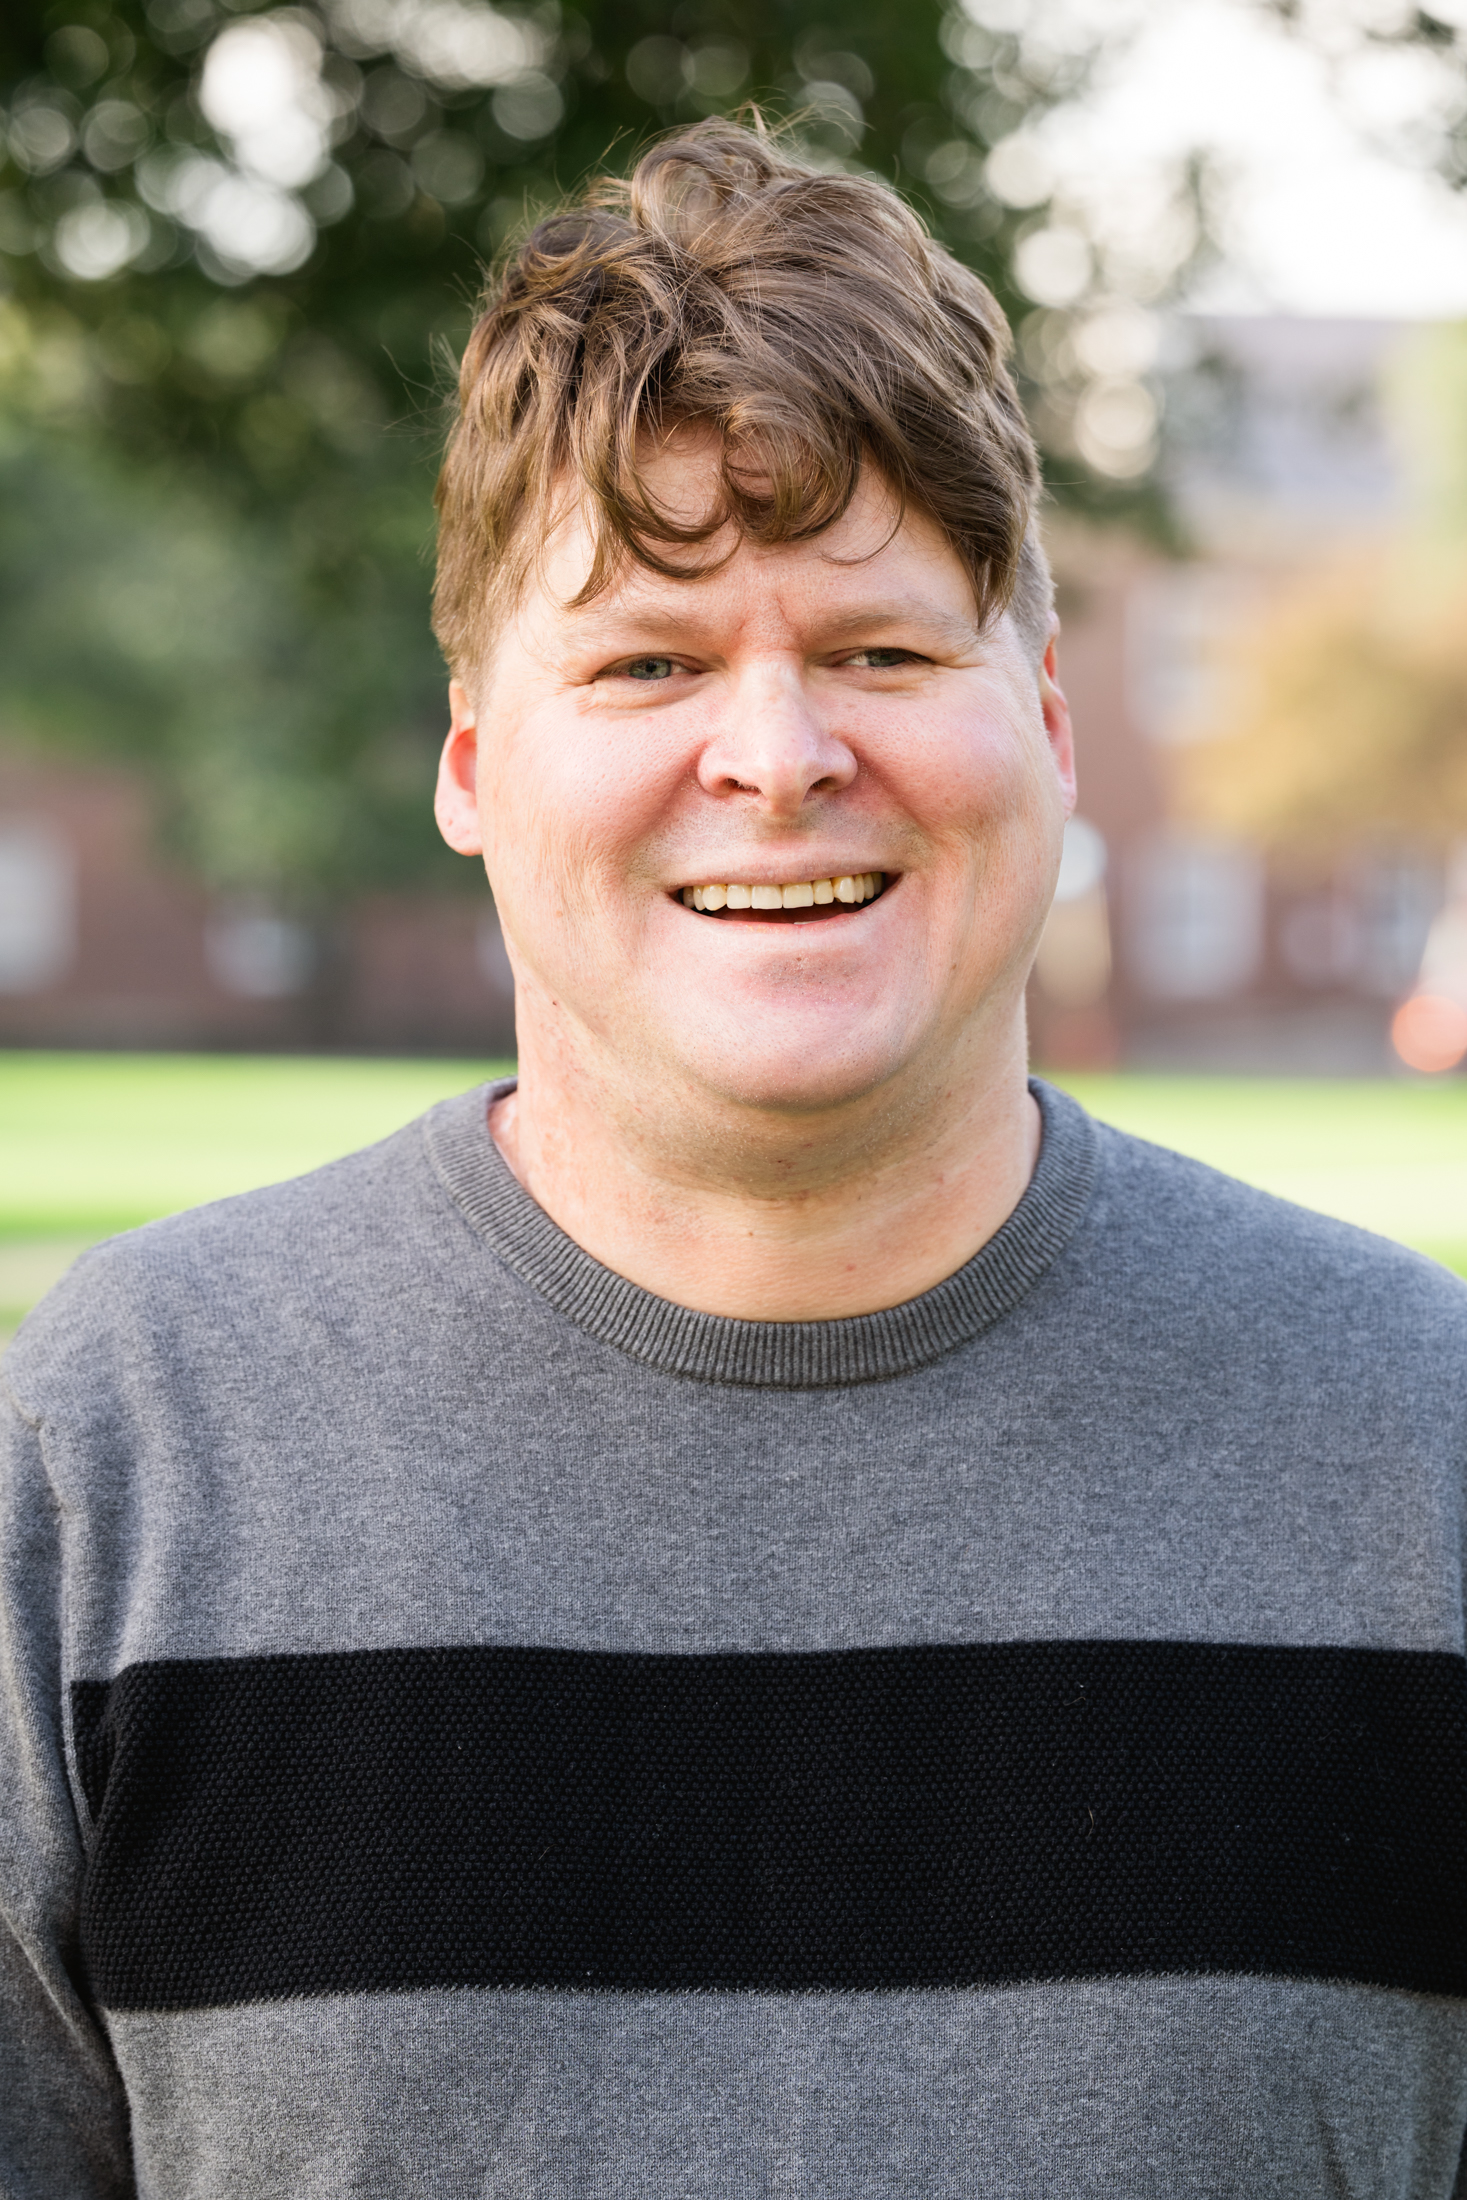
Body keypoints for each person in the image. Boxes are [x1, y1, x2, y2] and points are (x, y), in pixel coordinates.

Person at [4, 119, 1467, 2200]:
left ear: (1046, 721)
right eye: (645, 661)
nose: (776, 759)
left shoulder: (1418, 1448)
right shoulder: (120, 1451)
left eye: (878, 648)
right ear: (472, 758)